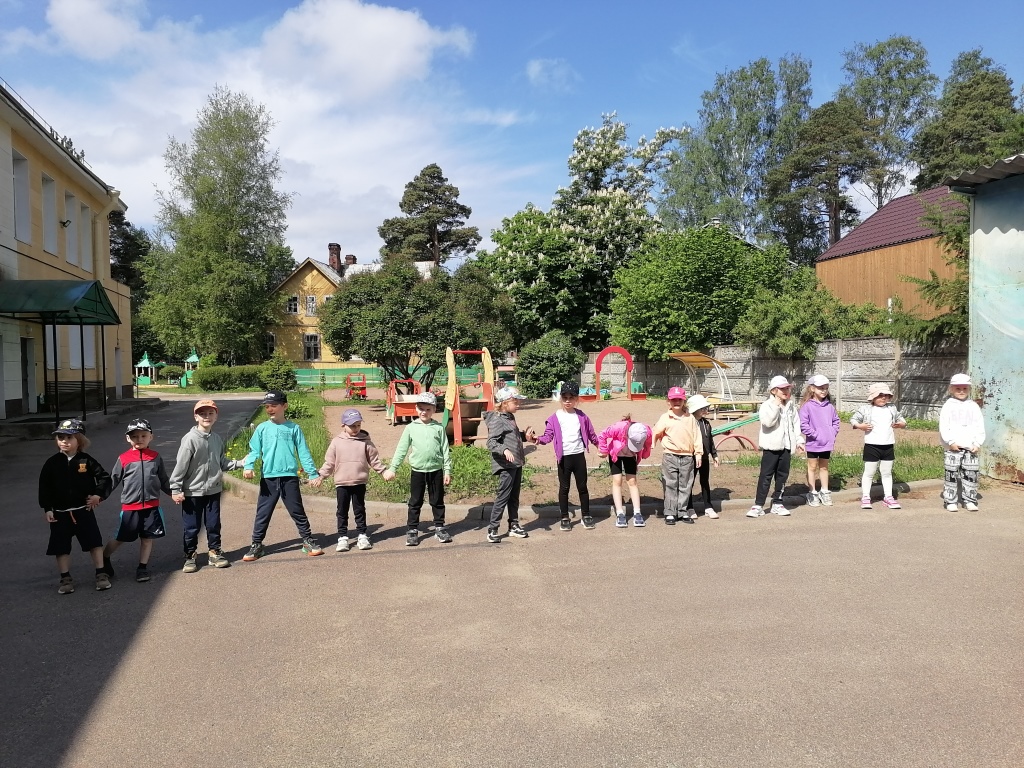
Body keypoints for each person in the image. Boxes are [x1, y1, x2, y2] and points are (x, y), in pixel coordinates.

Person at [241, 390, 324, 561]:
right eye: (267, 407)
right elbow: (254, 450)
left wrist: (312, 473)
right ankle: (256, 544)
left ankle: (307, 540)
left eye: (274, 405)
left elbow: (303, 452)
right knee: (263, 513)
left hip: (289, 477)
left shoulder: (294, 428)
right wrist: (248, 466)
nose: (270, 409)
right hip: (268, 478)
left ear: (284, 406)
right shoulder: (262, 428)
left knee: (297, 511)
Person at [38, 419, 113, 594]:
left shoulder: (86, 460)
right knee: (61, 547)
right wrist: (47, 508)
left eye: (69, 437)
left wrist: (97, 495)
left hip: (83, 511)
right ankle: (65, 578)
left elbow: (104, 478)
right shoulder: (51, 463)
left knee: (94, 542)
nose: (64, 441)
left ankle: (101, 573)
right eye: (60, 438)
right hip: (60, 513)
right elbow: (44, 487)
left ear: (80, 440)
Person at [169, 399, 243, 573]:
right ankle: (190, 555)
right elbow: (181, 466)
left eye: (210, 413)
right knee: (192, 526)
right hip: (192, 492)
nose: (206, 417)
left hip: (213, 490)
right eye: (202, 414)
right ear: (196, 417)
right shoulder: (190, 440)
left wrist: (241, 463)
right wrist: (176, 488)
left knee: (213, 524)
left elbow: (221, 462)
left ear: (216, 416)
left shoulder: (216, 439)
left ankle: (214, 552)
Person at [103, 418, 172, 583]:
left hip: (151, 506)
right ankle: (104, 557)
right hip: (130, 507)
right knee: (121, 537)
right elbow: (113, 480)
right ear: (128, 438)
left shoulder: (155, 457)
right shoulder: (124, 458)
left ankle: (142, 567)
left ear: (151, 437)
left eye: (143, 435)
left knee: (147, 538)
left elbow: (163, 479)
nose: (139, 439)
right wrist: (100, 496)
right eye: (134, 436)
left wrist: (173, 493)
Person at [386, 391, 453, 546]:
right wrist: (393, 468)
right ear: (416, 408)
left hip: (436, 470)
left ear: (434, 410)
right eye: (421, 408)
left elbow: (445, 450)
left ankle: (439, 527)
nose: (424, 412)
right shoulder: (411, 428)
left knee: (437, 500)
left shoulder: (438, 428)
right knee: (415, 501)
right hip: (418, 471)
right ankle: (412, 530)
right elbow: (401, 449)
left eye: (428, 409)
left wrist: (447, 470)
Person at [318, 407, 390, 552]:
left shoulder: (365, 442)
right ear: (343, 425)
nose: (356, 428)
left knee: (359, 509)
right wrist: (321, 476)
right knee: (342, 511)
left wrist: (383, 471)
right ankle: (342, 537)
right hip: (342, 483)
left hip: (359, 482)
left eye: (358, 425)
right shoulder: (336, 442)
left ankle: (362, 535)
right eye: (352, 426)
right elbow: (329, 463)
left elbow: (374, 460)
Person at [536, 380, 599, 531]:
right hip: (564, 458)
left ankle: (586, 515)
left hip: (578, 456)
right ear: (561, 398)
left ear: (577, 399)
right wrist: (537, 439)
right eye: (565, 397)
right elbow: (547, 436)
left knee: (582, 487)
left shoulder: (582, 416)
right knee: (564, 488)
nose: (568, 401)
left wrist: (600, 446)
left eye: (571, 398)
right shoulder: (554, 418)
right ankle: (564, 517)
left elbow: (591, 434)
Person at [748, 376, 805, 518]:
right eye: (782, 389)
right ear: (773, 391)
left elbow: (795, 424)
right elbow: (768, 423)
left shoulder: (791, 406)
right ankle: (758, 505)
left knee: (782, 476)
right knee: (765, 476)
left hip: (786, 447)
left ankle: (778, 503)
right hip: (771, 447)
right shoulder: (767, 405)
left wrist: (799, 441)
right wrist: (776, 405)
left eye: (787, 388)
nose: (786, 391)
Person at [482, 387, 534, 542]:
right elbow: (491, 442)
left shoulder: (509, 417)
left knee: (514, 497)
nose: (518, 404)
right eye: (515, 402)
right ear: (505, 403)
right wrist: (504, 450)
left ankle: (513, 525)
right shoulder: (497, 420)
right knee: (503, 497)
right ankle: (493, 529)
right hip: (506, 465)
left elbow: (512, 436)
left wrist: (525, 436)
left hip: (516, 463)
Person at [850, 383, 907, 510]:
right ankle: (866, 497)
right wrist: (860, 426)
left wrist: (901, 424)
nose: (883, 398)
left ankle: (888, 497)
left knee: (886, 472)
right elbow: (853, 419)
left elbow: (902, 420)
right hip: (872, 445)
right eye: (880, 395)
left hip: (888, 445)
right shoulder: (866, 409)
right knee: (869, 472)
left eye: (886, 395)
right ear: (873, 397)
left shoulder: (891, 408)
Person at [653, 386, 701, 525]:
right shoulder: (665, 417)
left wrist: (698, 453)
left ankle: (683, 511)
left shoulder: (690, 418)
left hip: (687, 456)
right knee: (670, 484)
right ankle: (670, 512)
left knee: (685, 485)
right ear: (668, 401)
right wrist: (653, 443)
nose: (676, 402)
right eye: (673, 400)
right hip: (670, 455)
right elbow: (656, 431)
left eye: (679, 399)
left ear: (684, 401)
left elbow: (696, 436)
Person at [938, 373, 985, 512]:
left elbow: (979, 425)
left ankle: (969, 500)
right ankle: (950, 501)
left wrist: (977, 443)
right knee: (951, 474)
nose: (961, 391)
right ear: (951, 389)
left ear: (969, 389)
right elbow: (944, 425)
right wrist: (950, 441)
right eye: (958, 388)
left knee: (971, 475)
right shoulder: (948, 406)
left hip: (971, 447)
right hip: (953, 447)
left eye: (964, 388)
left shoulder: (973, 406)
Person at [597, 414, 652, 528]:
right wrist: (603, 450)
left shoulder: (646, 431)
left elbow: (648, 442)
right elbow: (602, 435)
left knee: (632, 481)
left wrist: (646, 453)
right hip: (616, 453)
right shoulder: (618, 427)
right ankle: (620, 513)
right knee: (617, 480)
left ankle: (637, 512)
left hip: (631, 455)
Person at [799, 375, 841, 507]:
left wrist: (832, 433)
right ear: (812, 388)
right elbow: (803, 425)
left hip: (827, 443)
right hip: (813, 443)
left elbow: (836, 421)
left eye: (826, 388)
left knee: (824, 467)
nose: (824, 390)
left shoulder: (830, 406)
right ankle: (812, 492)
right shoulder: (807, 406)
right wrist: (816, 435)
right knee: (812, 467)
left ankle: (824, 491)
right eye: (820, 388)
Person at [686, 394, 720, 519]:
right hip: (692, 457)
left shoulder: (706, 423)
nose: (705, 410)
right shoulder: (689, 423)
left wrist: (714, 454)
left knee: (705, 481)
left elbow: (710, 440)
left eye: (706, 408)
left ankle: (708, 506)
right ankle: (689, 507)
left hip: (704, 458)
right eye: (702, 408)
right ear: (695, 409)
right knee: (689, 482)